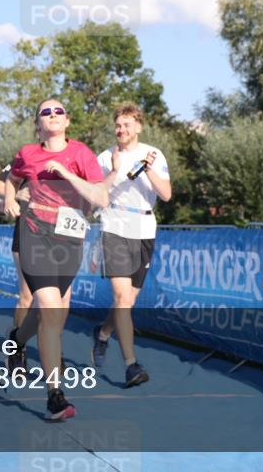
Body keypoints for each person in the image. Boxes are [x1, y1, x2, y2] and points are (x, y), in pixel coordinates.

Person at [3, 98, 108, 421]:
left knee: (51, 314)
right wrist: (10, 198)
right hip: (35, 234)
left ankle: (16, 342)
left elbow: (100, 197)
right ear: (38, 124)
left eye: (58, 111)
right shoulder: (27, 154)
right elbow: (12, 177)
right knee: (49, 310)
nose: (52, 115)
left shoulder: (81, 154)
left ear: (67, 120)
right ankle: (55, 396)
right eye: (45, 112)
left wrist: (65, 173)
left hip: (70, 241)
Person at [90, 103, 172, 388]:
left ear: (138, 126)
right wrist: (113, 171)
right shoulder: (105, 157)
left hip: (145, 228)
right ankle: (131, 365)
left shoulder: (154, 154)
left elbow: (166, 194)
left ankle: (102, 333)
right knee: (123, 299)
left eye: (127, 124)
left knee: (128, 301)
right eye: (118, 125)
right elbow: (96, 197)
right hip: (114, 226)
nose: (121, 129)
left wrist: (148, 170)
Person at [0, 165, 33, 372]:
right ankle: (18, 349)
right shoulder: (25, 157)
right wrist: (14, 194)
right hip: (26, 232)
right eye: (40, 129)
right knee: (27, 296)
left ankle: (54, 349)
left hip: (58, 236)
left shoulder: (72, 155)